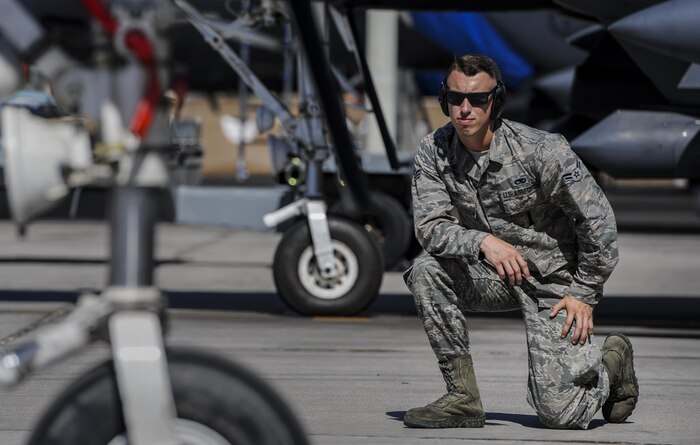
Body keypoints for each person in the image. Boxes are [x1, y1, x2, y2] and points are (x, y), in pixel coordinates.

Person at [403, 54, 639, 430]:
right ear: (443, 99)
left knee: (560, 414)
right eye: (455, 98)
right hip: (494, 276)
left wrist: (584, 292)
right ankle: (462, 398)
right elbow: (430, 226)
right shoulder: (434, 151)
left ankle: (613, 361)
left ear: (495, 101)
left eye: (478, 99)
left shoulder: (541, 151)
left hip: (554, 282)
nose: (465, 109)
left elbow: (598, 222)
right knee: (426, 270)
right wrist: (483, 242)